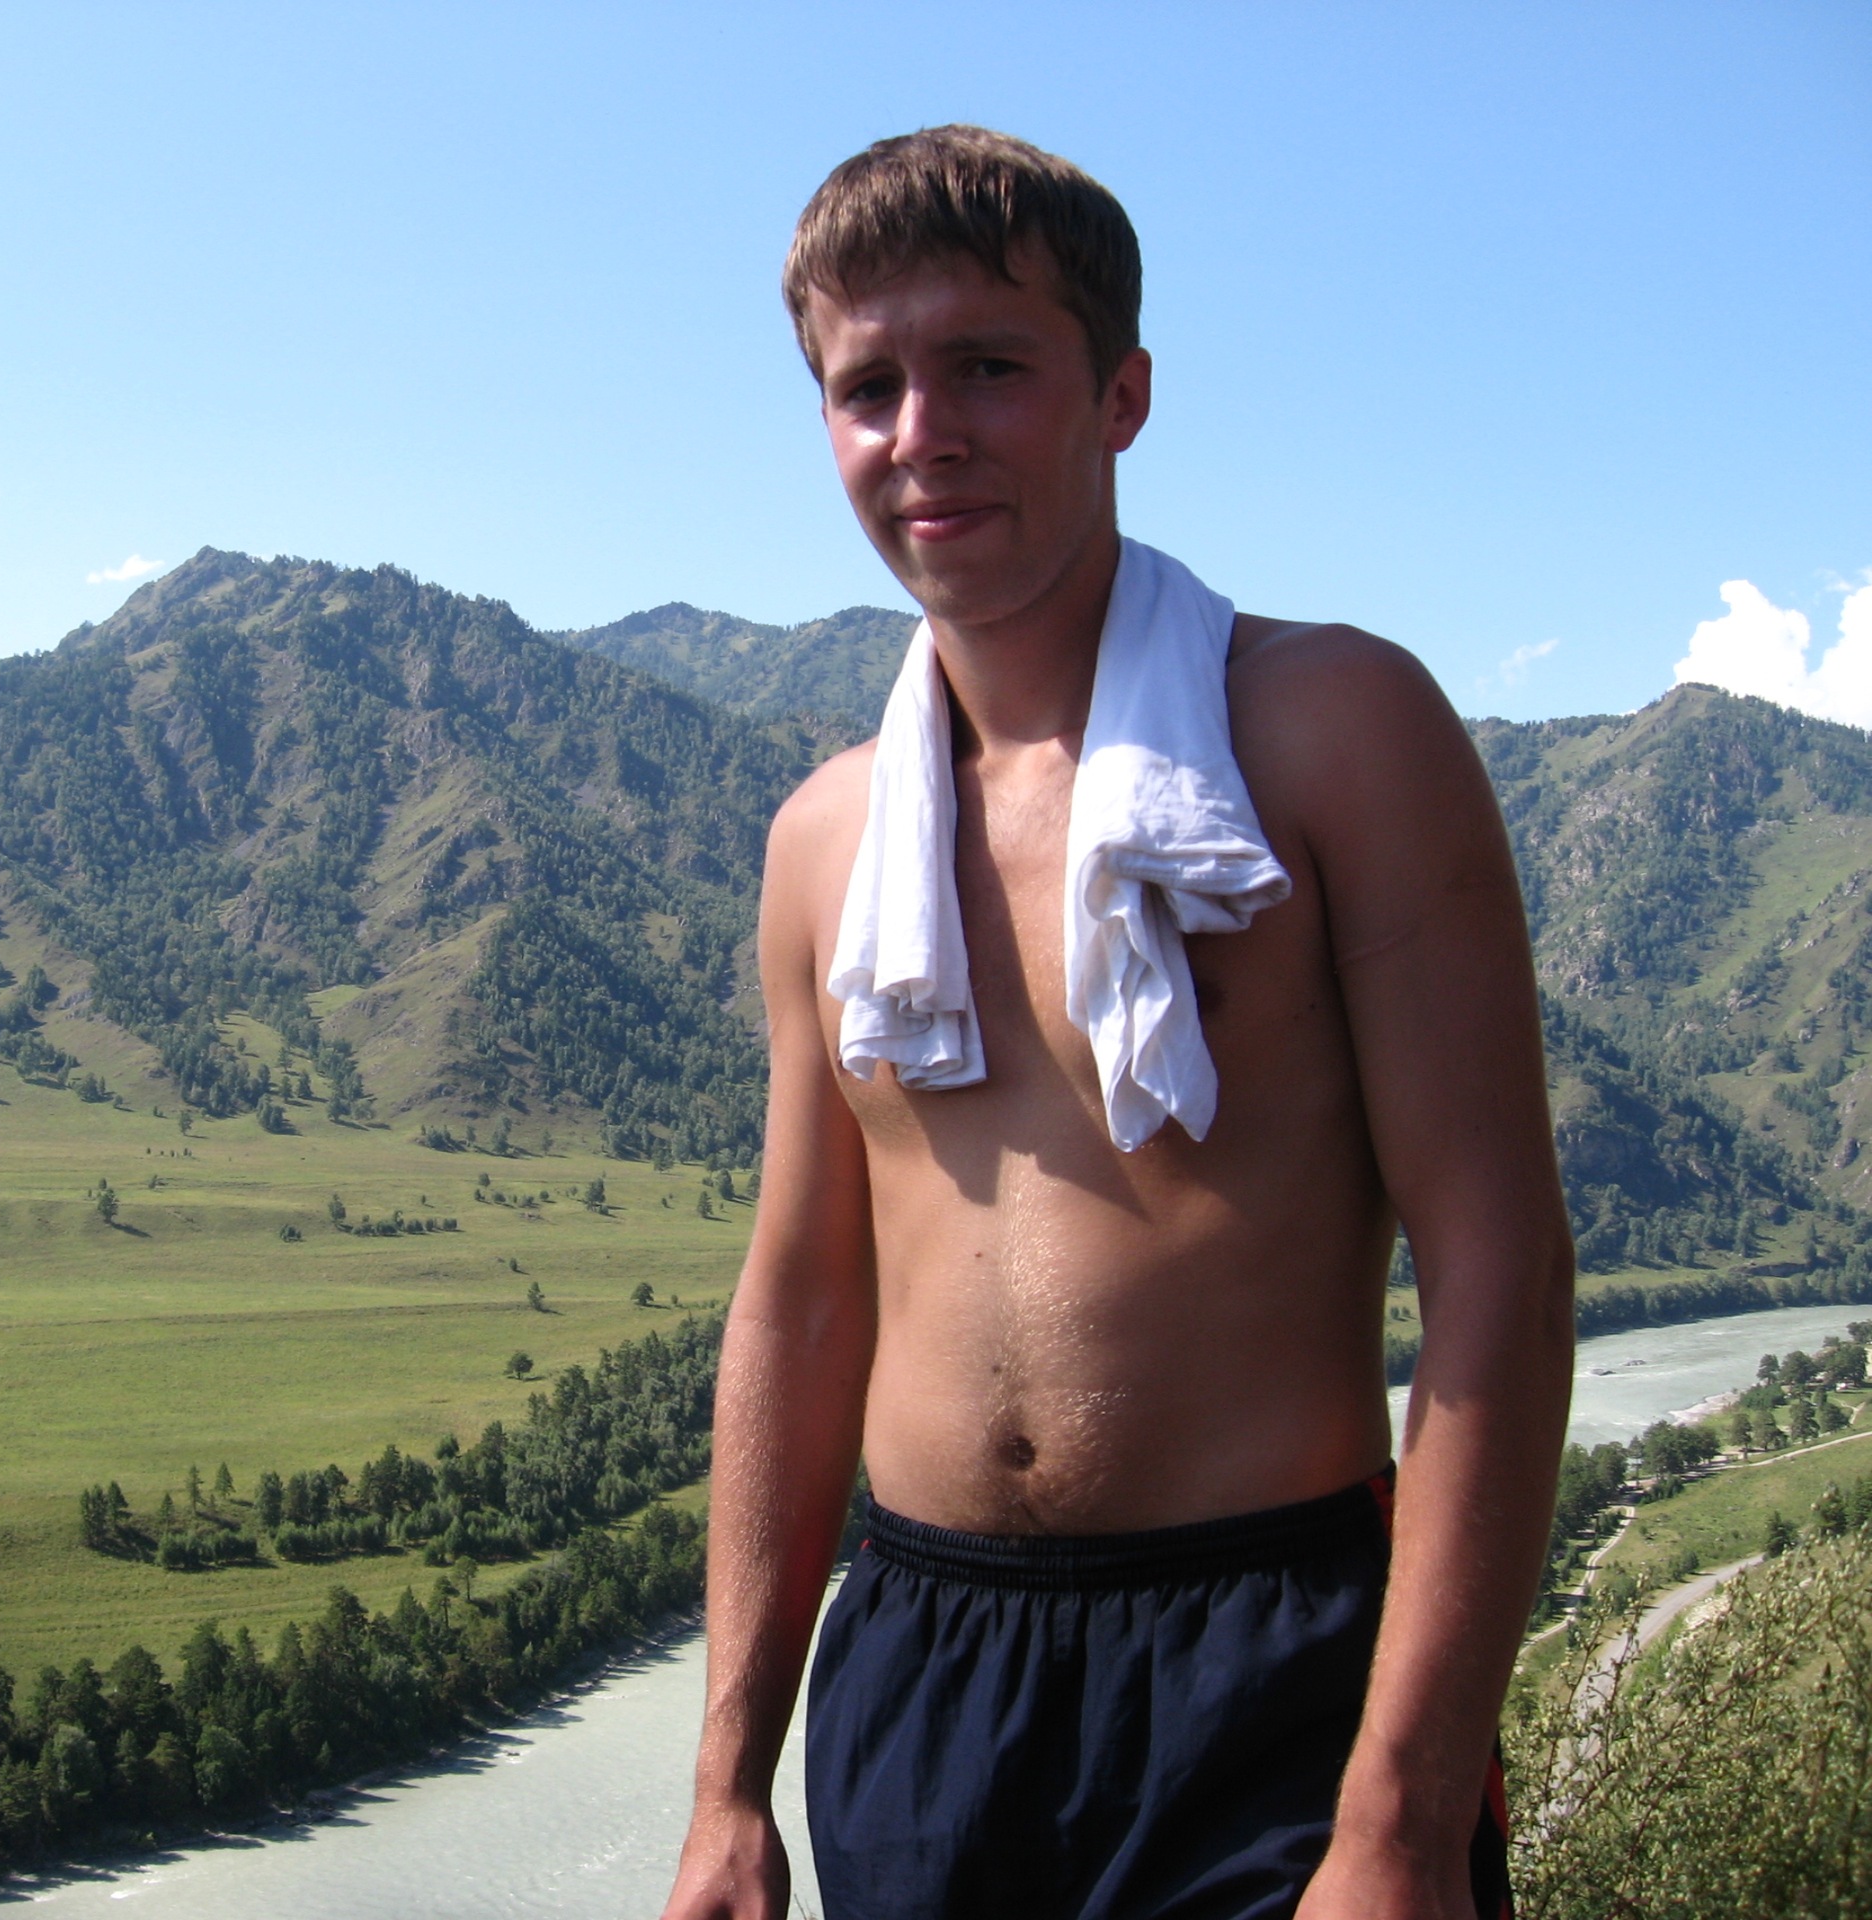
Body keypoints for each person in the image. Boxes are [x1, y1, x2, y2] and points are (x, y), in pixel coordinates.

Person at [660, 127, 1573, 1920]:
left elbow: (1501, 1265)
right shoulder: (826, 841)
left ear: (1124, 395)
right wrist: (726, 1790)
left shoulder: (1335, 733)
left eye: (989, 367)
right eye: (867, 388)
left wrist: (1401, 1822)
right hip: (923, 1676)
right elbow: (801, 1300)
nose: (923, 433)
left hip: (1270, 1670)